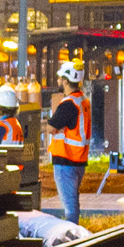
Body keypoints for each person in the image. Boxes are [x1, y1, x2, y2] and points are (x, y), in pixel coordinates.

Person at [46, 82, 93, 221]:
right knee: (73, 200)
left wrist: (56, 128)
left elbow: (50, 127)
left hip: (65, 158)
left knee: (69, 205)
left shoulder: (69, 103)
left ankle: (72, 235)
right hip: (78, 159)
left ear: (65, 81)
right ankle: (74, 230)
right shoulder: (83, 100)